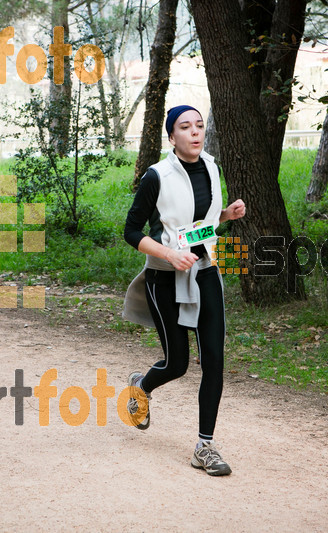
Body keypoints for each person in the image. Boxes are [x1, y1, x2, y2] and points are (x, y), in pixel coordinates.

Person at [122, 105, 246, 476]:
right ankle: (141, 387)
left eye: (199, 125)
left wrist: (226, 215)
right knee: (177, 364)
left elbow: (198, 219)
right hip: (165, 277)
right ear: (171, 136)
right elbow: (131, 231)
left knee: (214, 361)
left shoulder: (211, 166)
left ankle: (204, 447)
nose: (195, 132)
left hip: (205, 271)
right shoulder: (155, 176)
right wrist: (168, 255)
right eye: (185, 127)